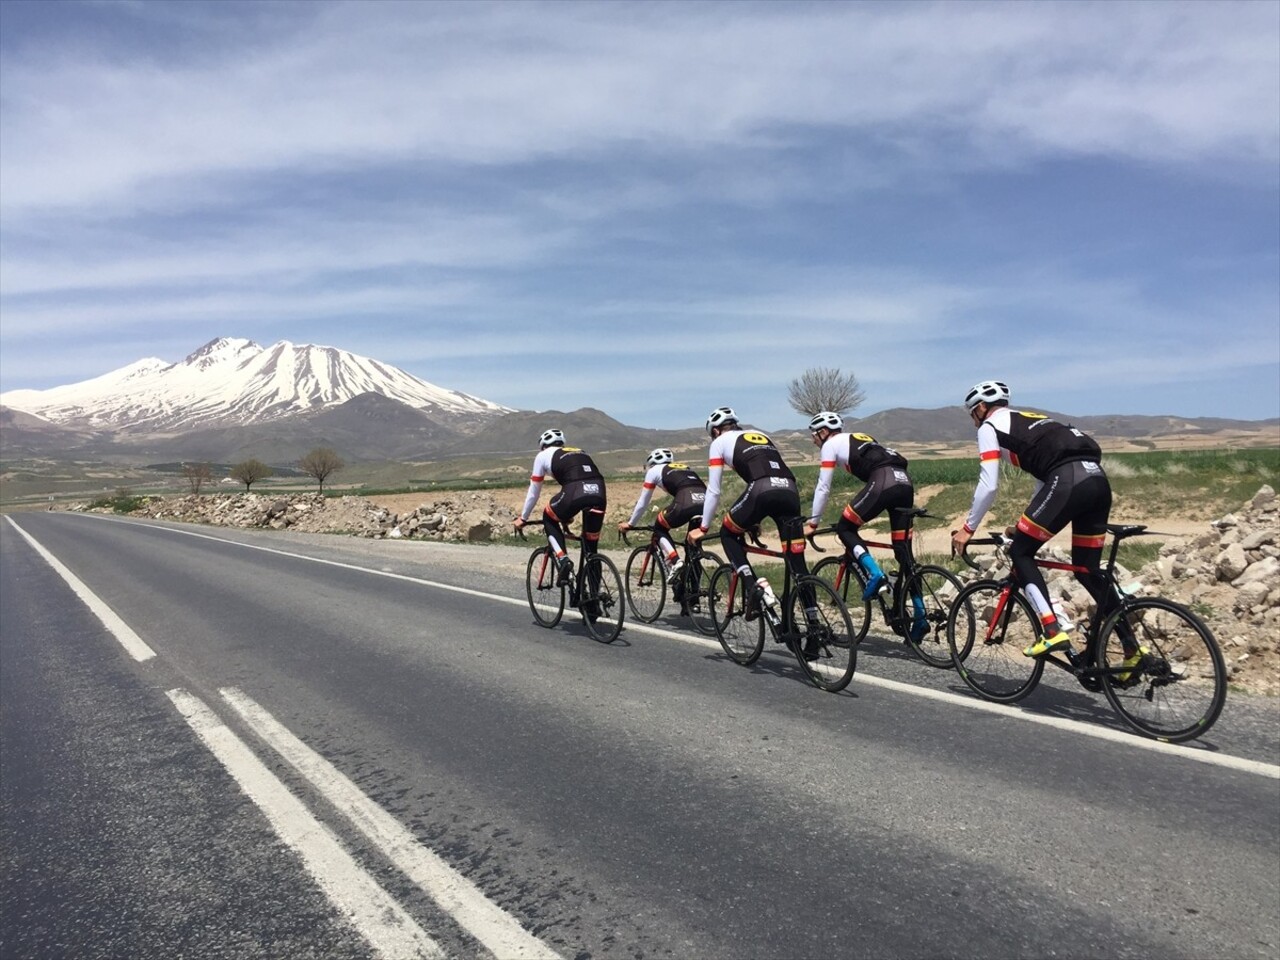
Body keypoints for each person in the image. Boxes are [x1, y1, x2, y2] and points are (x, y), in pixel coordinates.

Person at [949, 380, 1119, 661]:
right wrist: (1024, 523)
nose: (973, 421)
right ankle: (1132, 648)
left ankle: (1051, 630)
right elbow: (1045, 480)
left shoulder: (990, 427)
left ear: (981, 408)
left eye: (972, 414)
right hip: (1097, 480)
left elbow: (989, 484)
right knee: (1087, 570)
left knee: (1020, 552)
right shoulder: (1031, 420)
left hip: (1068, 481)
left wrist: (968, 529)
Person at [687, 406, 815, 634]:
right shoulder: (762, 435)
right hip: (790, 489)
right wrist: (752, 520)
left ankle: (754, 586)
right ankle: (814, 626)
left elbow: (714, 491)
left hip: (761, 489)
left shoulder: (718, 443)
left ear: (716, 431)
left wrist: (703, 528)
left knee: (728, 533)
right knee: (797, 563)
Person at [801, 411, 914, 601]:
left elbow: (823, 487)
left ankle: (874, 574)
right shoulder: (862, 437)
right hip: (904, 482)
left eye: (814, 435)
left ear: (824, 432)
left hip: (883, 480)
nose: (814, 441)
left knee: (846, 528)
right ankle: (919, 615)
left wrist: (813, 522)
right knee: (903, 553)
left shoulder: (829, 444)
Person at [514, 429, 607, 588]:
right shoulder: (579, 451)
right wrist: (565, 516)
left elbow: (534, 491)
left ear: (543, 446)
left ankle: (563, 560)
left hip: (575, 490)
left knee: (548, 516)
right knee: (591, 550)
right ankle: (594, 601)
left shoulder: (542, 455)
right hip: (599, 491)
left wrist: (523, 518)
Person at [617, 448, 708, 586]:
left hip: (686, 500)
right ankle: (692, 600)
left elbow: (643, 502)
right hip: (705, 502)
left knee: (659, 527)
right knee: (692, 548)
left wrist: (630, 524)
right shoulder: (685, 467)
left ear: (651, 463)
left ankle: (676, 561)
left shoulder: (653, 471)